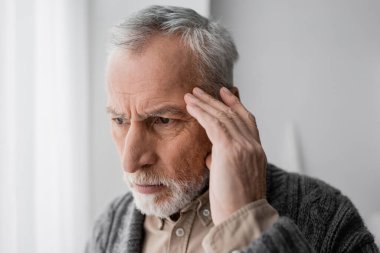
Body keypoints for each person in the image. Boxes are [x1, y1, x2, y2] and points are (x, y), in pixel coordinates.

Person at [86, 5, 379, 253]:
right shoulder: (108, 228)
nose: (130, 160)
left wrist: (249, 224)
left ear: (227, 109)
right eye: (119, 120)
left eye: (163, 120)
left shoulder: (325, 215)